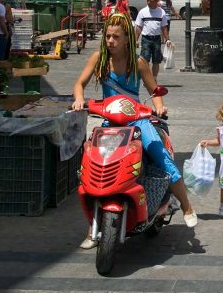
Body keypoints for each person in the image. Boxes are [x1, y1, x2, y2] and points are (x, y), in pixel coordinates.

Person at [72, 13, 197, 249]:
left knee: (162, 158)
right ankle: (93, 228)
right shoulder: (98, 59)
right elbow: (79, 83)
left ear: (127, 39)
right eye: (108, 36)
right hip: (110, 123)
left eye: (116, 37)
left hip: (137, 122)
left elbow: (155, 90)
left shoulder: (138, 62)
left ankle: (185, 204)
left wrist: (159, 107)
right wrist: (79, 100)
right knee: (92, 167)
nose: (110, 41)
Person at [134, 0, 169, 78]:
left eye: (151, 1)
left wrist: (167, 39)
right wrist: (136, 39)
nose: (148, 2)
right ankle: (147, 78)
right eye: (147, 1)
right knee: (144, 60)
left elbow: (164, 27)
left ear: (156, 1)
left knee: (156, 61)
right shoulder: (142, 12)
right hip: (146, 39)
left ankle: (154, 78)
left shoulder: (161, 12)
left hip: (157, 39)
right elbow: (138, 27)